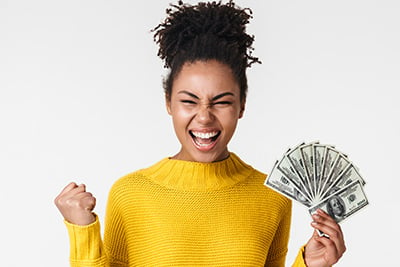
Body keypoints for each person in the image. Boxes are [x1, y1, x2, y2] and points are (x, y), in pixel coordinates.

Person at [54, 1, 346, 266]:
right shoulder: (130, 194)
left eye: (221, 102)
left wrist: (309, 264)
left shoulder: (270, 196)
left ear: (242, 105)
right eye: (189, 101)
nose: (204, 116)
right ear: (169, 103)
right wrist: (82, 231)